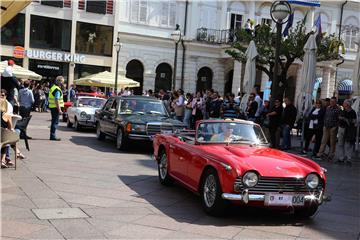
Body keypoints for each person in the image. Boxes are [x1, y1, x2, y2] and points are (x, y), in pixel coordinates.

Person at [336, 99, 356, 165]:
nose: (343, 104)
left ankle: (348, 159)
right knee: (340, 143)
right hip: (341, 128)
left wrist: (345, 119)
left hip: (348, 130)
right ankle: (341, 158)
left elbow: (354, 121)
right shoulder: (343, 110)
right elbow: (339, 117)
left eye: (344, 103)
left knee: (348, 145)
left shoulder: (352, 112)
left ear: (348, 104)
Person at [48, 76, 64, 141]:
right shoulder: (57, 89)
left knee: (53, 122)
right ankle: (53, 136)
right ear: (60, 82)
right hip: (55, 108)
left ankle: (52, 135)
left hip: (53, 107)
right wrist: (59, 109)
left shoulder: (53, 87)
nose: (63, 83)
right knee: (55, 122)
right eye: (62, 82)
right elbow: (56, 99)